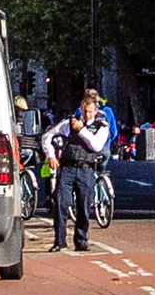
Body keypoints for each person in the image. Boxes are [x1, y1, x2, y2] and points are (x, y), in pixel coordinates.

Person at [50, 86, 118, 252]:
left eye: (90, 111)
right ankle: (59, 241)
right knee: (60, 202)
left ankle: (81, 241)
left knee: (83, 206)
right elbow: (49, 137)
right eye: (84, 111)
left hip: (88, 165)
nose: (87, 114)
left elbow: (96, 144)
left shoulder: (101, 124)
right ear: (81, 109)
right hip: (67, 167)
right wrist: (51, 154)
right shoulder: (70, 121)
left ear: (95, 111)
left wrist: (81, 130)